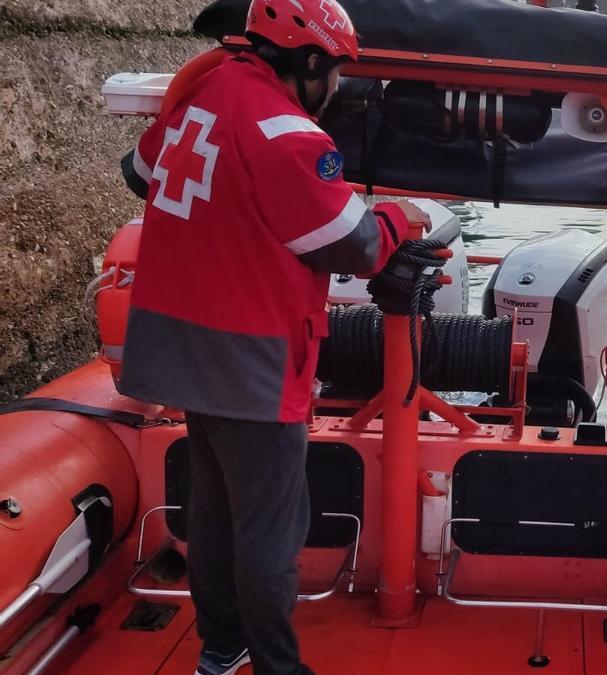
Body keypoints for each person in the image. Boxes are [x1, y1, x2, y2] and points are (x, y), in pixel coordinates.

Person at [118, 0, 428, 673]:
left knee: (216, 509)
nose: (338, 86)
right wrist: (403, 217)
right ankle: (276, 665)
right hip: (252, 361)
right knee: (268, 530)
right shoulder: (290, 134)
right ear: (309, 59)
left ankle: (221, 647)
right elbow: (356, 242)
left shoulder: (203, 90)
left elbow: (138, 172)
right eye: (335, 69)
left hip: (182, 349)